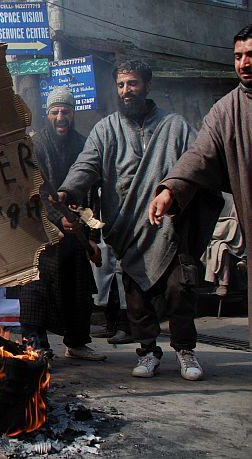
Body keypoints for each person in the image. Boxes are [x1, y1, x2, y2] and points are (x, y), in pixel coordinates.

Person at [58, 60, 222, 380]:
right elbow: (87, 165)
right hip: (127, 226)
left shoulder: (175, 126)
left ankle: (185, 350)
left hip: (170, 226)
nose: (125, 91)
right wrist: (68, 190)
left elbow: (196, 165)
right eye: (120, 85)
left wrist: (173, 192)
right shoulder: (105, 129)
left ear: (148, 85)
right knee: (136, 296)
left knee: (180, 289)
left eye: (132, 84)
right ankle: (148, 351)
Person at [149, 25, 252, 343]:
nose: (244, 63)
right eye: (238, 56)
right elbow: (200, 154)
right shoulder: (226, 111)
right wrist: (170, 189)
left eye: (250, 55)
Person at [19, 86, 106, 361]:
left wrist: (91, 235)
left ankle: (77, 343)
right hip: (42, 232)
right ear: (48, 115)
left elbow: (93, 191)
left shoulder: (85, 145)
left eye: (65, 112)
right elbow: (34, 190)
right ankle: (36, 345)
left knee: (78, 291)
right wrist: (58, 220)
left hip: (77, 231)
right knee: (36, 290)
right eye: (55, 112)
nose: (60, 117)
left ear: (73, 114)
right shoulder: (36, 146)